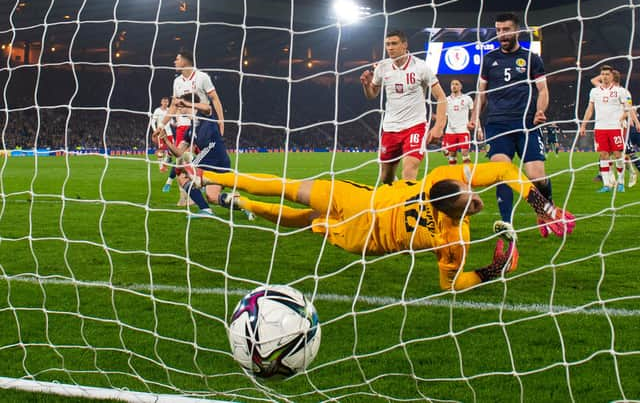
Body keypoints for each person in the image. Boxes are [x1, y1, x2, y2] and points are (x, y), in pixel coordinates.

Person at [191, 162, 575, 291]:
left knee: (298, 208)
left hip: (362, 212)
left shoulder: (440, 179)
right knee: (296, 202)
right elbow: (451, 284)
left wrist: (543, 206)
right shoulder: (453, 237)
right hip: (362, 227)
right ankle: (221, 185)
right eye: (472, 197)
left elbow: (506, 171)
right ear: (464, 209)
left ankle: (230, 194)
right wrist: (492, 272)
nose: (477, 196)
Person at [472, 12, 553, 236]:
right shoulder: (489, 59)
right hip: (497, 124)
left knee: (536, 176)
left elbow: (543, 89)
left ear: (517, 30)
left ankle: (546, 207)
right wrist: (475, 117)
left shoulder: (531, 58)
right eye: (498, 30)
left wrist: (540, 110)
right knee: (502, 171)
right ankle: (507, 224)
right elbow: (481, 93)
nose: (502, 34)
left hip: (526, 123)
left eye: (506, 30)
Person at [360, 29, 447, 184]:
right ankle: (394, 198)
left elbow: (441, 97)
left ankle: (409, 206)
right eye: (387, 44)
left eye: (394, 43)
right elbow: (372, 95)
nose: (390, 48)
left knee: (409, 169)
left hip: (415, 126)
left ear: (404, 44)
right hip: (390, 128)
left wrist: (439, 126)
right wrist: (367, 86)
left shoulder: (421, 67)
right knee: (385, 178)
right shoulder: (382, 67)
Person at [159, 94, 253, 220]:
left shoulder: (205, 116)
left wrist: (186, 103)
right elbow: (179, 153)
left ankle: (209, 209)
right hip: (207, 162)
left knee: (184, 176)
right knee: (212, 197)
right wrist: (167, 141)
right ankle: (242, 206)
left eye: (181, 106)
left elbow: (208, 107)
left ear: (188, 103)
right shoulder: (190, 130)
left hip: (219, 161)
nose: (179, 109)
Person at [156, 50, 226, 205]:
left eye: (177, 58)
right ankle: (187, 196)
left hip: (204, 123)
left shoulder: (202, 77)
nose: (174, 61)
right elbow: (174, 107)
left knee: (199, 166)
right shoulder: (177, 82)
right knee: (181, 162)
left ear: (186, 61)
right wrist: (162, 125)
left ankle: (196, 193)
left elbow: (214, 100)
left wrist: (221, 121)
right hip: (186, 125)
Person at [580, 65, 633, 192]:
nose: (604, 76)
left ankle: (620, 182)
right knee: (603, 155)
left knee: (617, 154)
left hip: (615, 128)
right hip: (600, 127)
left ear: (612, 76)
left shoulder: (620, 91)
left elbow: (628, 109)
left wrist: (621, 118)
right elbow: (590, 108)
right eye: (603, 74)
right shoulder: (595, 91)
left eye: (607, 74)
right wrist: (583, 125)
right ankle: (606, 184)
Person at [443, 79, 475, 165]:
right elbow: (444, 117)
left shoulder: (467, 98)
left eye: (456, 84)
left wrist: (477, 127)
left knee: (465, 153)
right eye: (452, 84)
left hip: (463, 130)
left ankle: (468, 175)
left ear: (461, 87)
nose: (454, 86)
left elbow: (474, 113)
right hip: (450, 131)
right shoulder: (446, 100)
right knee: (452, 155)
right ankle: (453, 175)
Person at [150, 97, 173, 172]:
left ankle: (165, 163)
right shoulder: (157, 110)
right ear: (161, 102)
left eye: (167, 102)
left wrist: (176, 124)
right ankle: (161, 167)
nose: (165, 103)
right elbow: (153, 122)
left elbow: (171, 121)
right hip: (161, 133)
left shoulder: (169, 110)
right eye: (164, 101)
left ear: (168, 103)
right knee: (161, 150)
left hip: (169, 132)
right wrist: (155, 131)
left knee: (172, 150)